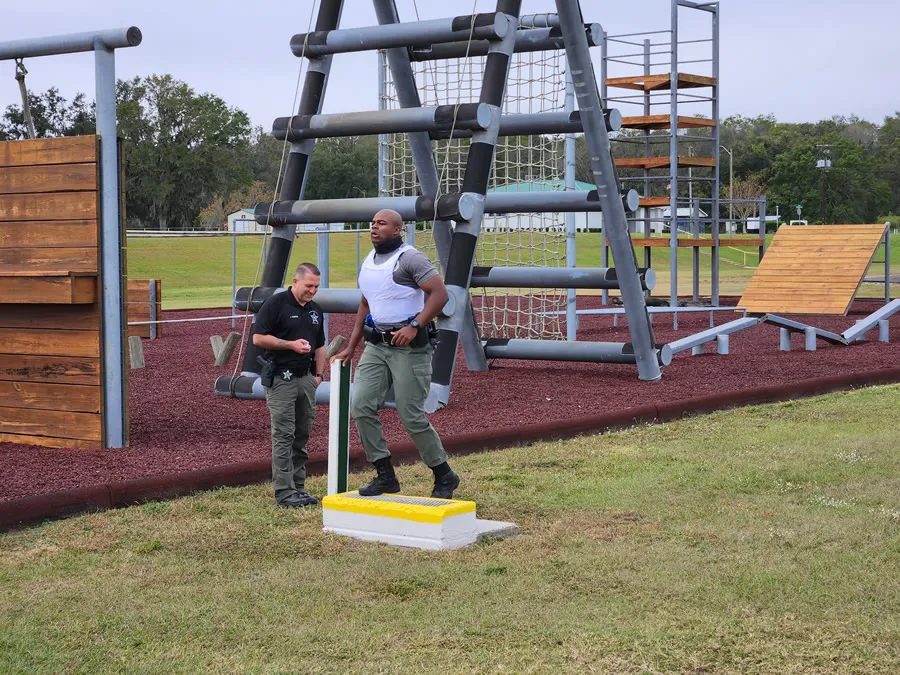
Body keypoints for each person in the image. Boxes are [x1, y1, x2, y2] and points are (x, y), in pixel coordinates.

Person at [332, 209, 460, 499]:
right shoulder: (368, 261)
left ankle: (444, 475)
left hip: (409, 349)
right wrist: (352, 345)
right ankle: (385, 474)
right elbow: (366, 304)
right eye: (372, 223)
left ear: (397, 229)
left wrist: (416, 326)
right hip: (376, 346)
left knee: (410, 414)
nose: (374, 227)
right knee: (361, 405)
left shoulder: (410, 259)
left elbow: (440, 294)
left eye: (381, 224)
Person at [253, 262, 327, 508]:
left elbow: (319, 346)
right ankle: (284, 492)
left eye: (316, 286)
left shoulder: (315, 310)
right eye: (309, 286)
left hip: (306, 378)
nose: (313, 291)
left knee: (302, 434)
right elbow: (258, 337)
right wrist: (290, 345)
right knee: (284, 434)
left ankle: (299, 487)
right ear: (295, 281)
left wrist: (318, 375)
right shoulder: (276, 303)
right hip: (280, 379)